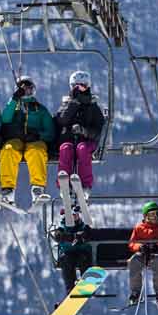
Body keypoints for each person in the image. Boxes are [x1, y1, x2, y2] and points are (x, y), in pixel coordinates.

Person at [53, 71, 105, 214]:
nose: (79, 89)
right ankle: (64, 184)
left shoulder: (93, 106)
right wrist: (73, 103)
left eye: (82, 86)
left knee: (82, 149)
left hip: (86, 142)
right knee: (65, 149)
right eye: (76, 86)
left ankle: (85, 186)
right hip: (68, 140)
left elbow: (98, 129)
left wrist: (83, 131)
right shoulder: (66, 104)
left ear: (88, 87)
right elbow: (61, 120)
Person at [0, 76, 54, 207]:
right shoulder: (14, 108)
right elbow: (5, 119)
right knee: (8, 150)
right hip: (16, 139)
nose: (26, 93)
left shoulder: (40, 110)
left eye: (29, 90)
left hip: (34, 140)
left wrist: (38, 135)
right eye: (23, 90)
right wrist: (14, 100)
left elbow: (50, 132)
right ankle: (8, 189)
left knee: (36, 151)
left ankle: (37, 188)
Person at [125, 202, 158, 307]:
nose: (154, 217)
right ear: (145, 216)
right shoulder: (139, 228)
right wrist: (140, 247)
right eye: (151, 215)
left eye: (157, 214)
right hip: (142, 254)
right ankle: (135, 292)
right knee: (134, 262)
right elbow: (132, 243)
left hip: (156, 255)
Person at [51, 213, 95, 294]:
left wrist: (82, 237)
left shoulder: (84, 227)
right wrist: (71, 237)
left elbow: (89, 234)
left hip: (82, 253)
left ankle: (87, 285)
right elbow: (58, 236)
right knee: (67, 262)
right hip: (68, 254)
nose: (73, 217)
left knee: (84, 259)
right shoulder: (61, 228)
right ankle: (70, 288)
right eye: (71, 215)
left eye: (75, 215)